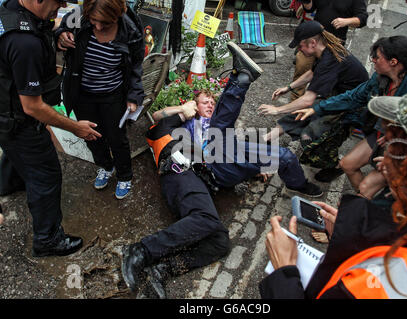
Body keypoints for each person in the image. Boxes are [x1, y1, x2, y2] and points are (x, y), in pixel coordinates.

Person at [121, 42, 322, 298]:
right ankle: (145, 255)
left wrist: (251, 167)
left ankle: (298, 184)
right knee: (220, 241)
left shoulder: (218, 126)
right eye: (204, 102)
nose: (209, 105)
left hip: (218, 168)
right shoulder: (176, 126)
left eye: (212, 102)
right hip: (183, 170)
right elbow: (156, 119)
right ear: (192, 105)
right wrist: (183, 111)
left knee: (278, 155)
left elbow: (230, 144)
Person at [259, 81, 407, 298]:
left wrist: (284, 271)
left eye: (389, 146)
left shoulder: (387, 283)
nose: (382, 161)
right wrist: (347, 236)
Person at [0, 0, 101, 257]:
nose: (61, 9)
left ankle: (8, 183)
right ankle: (48, 240)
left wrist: (56, 35)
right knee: (46, 175)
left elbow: (43, 26)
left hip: (6, 110)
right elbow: (33, 107)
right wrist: (75, 127)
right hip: (18, 118)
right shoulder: (25, 43)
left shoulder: (12, 8)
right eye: (57, 3)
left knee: (16, 152)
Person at [294, 36, 407, 193]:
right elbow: (354, 96)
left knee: (381, 190)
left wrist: (400, 141)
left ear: (393, 62)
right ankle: (365, 204)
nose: (372, 59)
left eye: (377, 57)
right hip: (383, 133)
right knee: (347, 164)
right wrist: (317, 108)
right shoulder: (380, 77)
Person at [56, 0, 145, 199]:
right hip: (81, 93)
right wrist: (60, 36)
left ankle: (124, 175)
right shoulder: (78, 15)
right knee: (91, 135)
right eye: (93, 21)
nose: (97, 27)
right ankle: (106, 165)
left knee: (116, 137)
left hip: (113, 93)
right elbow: (60, 29)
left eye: (105, 23)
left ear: (118, 15)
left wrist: (134, 95)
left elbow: (136, 64)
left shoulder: (130, 29)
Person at [258, 21, 368, 182]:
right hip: (339, 95)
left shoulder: (330, 61)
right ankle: (265, 139)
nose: (299, 50)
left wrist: (277, 109)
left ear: (313, 43)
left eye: (301, 46)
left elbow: (308, 99)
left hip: (353, 106)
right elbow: (312, 73)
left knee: (311, 138)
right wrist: (289, 87)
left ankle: (335, 166)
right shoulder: (324, 51)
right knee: (299, 114)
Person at [288, 0, 368, 100]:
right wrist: (306, 2)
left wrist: (346, 21)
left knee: (325, 77)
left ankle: (318, 105)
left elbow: (363, 19)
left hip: (334, 43)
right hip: (314, 40)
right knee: (302, 67)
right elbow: (310, 8)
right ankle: (294, 102)